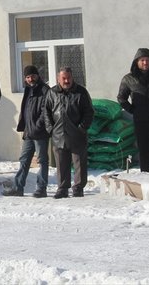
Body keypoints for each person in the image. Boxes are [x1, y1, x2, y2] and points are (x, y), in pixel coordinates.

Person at [44, 67, 94, 199]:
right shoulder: (52, 92)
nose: (66, 81)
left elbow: (89, 112)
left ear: (72, 78)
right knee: (61, 164)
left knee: (79, 164)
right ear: (58, 79)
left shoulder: (81, 92)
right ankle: (62, 188)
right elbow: (46, 112)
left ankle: (78, 188)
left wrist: (82, 128)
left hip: (77, 135)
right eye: (63, 78)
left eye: (68, 78)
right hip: (58, 135)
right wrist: (51, 129)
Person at [3, 65, 51, 197]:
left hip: (40, 133)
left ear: (38, 76)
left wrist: (37, 126)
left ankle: (41, 189)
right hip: (28, 132)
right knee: (24, 160)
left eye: (33, 76)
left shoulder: (44, 90)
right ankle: (18, 188)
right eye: (28, 77)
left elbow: (45, 112)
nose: (30, 79)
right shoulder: (28, 89)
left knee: (42, 161)